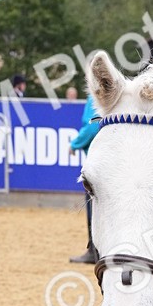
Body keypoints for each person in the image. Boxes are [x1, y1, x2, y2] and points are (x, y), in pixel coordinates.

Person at [69, 97, 100, 264]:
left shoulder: (96, 96)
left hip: (99, 163)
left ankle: (94, 251)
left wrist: (75, 144)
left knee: (94, 206)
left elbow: (92, 125)